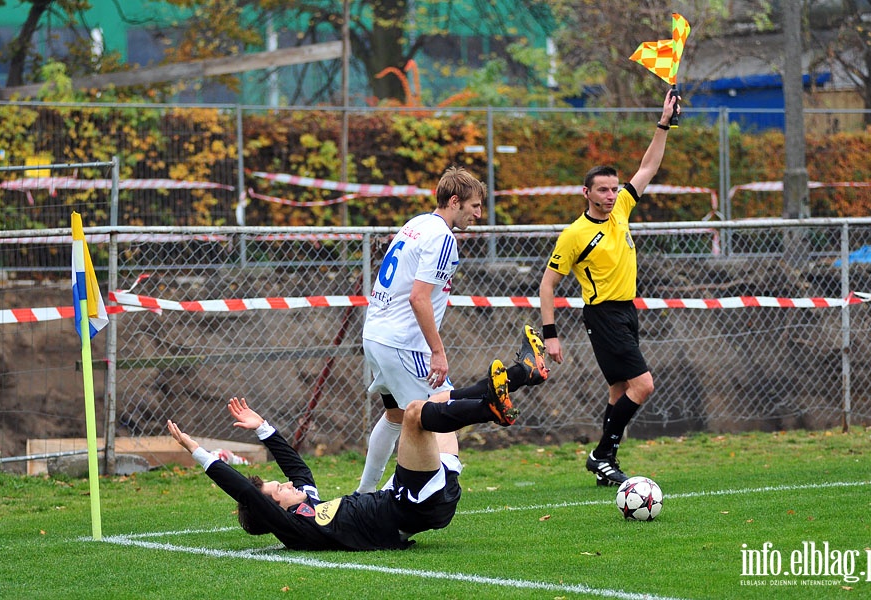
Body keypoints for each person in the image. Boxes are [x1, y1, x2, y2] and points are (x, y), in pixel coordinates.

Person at [165, 369, 516, 551]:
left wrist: (264, 429)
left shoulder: (310, 507)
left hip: (420, 499)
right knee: (413, 414)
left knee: (434, 399)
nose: (288, 484)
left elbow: (297, 468)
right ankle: (489, 408)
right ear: (274, 510)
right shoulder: (297, 530)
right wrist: (198, 452)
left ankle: (510, 381)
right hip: (410, 505)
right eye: (279, 490)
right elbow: (244, 491)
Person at [357, 165, 548, 493]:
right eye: (474, 206)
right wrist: (437, 351)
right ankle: (383, 506)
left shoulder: (416, 223)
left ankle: (363, 495)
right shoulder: (443, 237)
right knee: (438, 419)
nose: (478, 214)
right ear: (455, 201)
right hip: (404, 343)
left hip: (376, 335)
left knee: (396, 417)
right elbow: (419, 298)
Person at [538, 89, 679, 487]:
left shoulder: (620, 209)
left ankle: (604, 462)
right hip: (602, 316)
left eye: (613, 188)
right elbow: (548, 285)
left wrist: (663, 123)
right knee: (643, 385)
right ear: (586, 193)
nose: (610, 195)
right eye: (602, 189)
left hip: (626, 311)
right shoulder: (575, 234)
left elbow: (649, 167)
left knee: (619, 390)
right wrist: (551, 335)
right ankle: (601, 455)